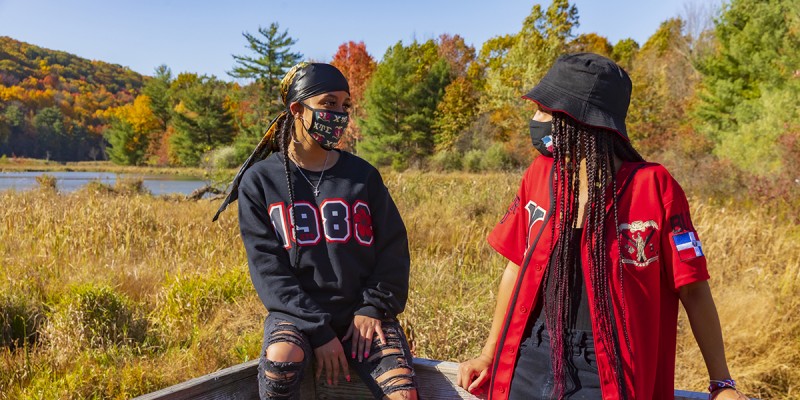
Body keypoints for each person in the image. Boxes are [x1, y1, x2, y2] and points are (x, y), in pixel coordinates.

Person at [456, 53, 748, 400]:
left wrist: (722, 383)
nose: (535, 121)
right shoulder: (540, 174)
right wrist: (490, 352)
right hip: (531, 353)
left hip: (609, 366)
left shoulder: (653, 187)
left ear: (582, 120)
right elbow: (515, 268)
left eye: (545, 112)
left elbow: (694, 289)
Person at [214, 62, 418, 400]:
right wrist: (318, 331)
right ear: (297, 109)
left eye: (344, 106)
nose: (338, 114)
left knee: (403, 393)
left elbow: (394, 249)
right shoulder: (261, 181)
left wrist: (372, 308)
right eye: (328, 104)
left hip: (361, 314)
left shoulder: (363, 176)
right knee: (281, 360)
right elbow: (268, 270)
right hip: (297, 315)